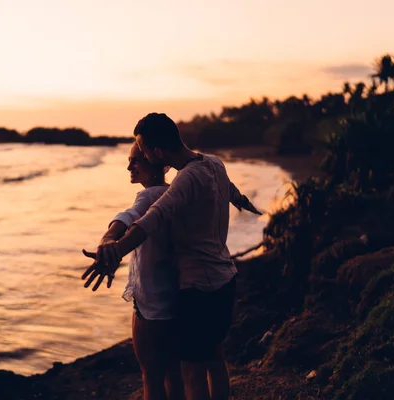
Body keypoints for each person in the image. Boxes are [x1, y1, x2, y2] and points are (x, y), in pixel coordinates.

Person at [82, 113, 262, 400]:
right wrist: (249, 206)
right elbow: (232, 191)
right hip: (226, 278)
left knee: (191, 371)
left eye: (140, 150)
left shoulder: (185, 180)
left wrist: (115, 249)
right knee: (214, 359)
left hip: (199, 289)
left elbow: (151, 218)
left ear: (157, 153)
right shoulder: (214, 163)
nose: (136, 156)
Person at [82, 143, 184, 400]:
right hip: (176, 298)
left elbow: (127, 216)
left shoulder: (149, 196)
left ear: (157, 162)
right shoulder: (176, 194)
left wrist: (108, 239)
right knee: (174, 374)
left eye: (136, 161)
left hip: (151, 303)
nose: (129, 166)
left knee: (151, 376)